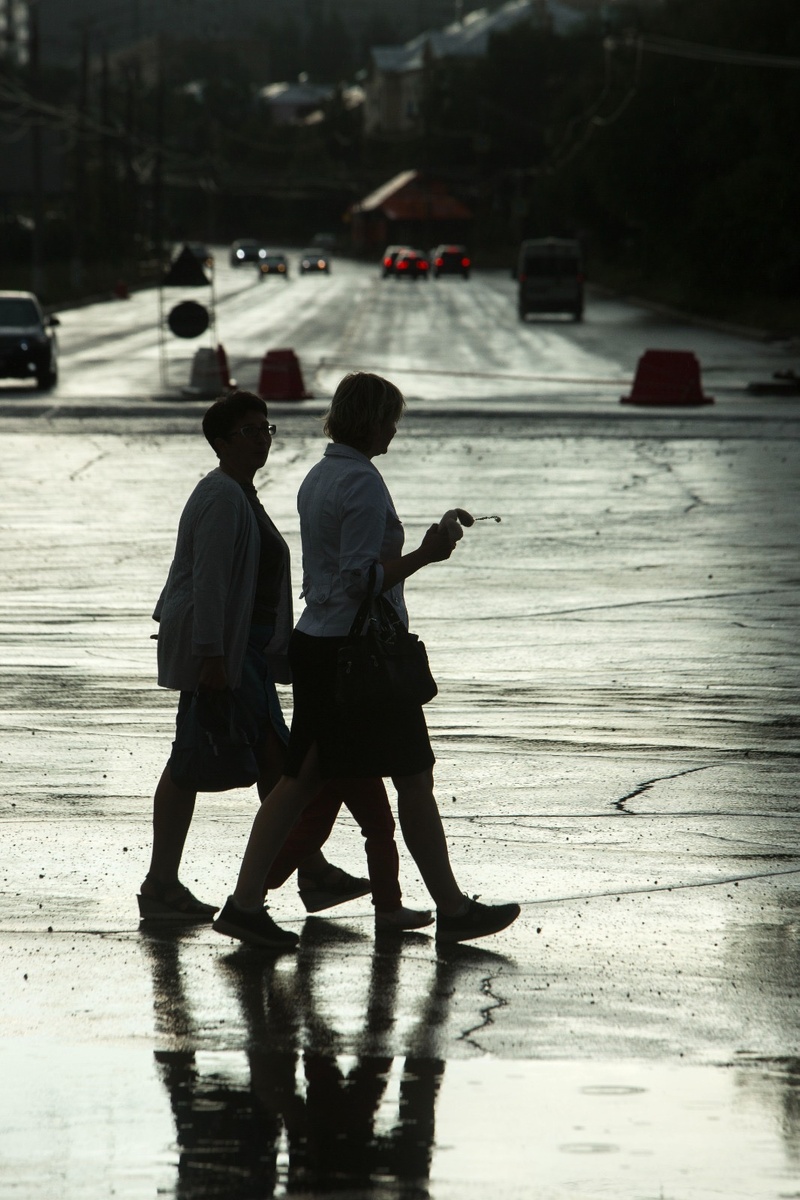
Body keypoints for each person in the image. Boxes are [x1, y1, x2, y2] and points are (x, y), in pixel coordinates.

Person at [213, 372, 521, 948]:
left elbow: (335, 572)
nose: (394, 431)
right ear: (371, 420)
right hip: (357, 656)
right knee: (412, 776)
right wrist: (427, 556)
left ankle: (245, 901)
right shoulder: (361, 483)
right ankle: (451, 907)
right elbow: (359, 581)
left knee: (302, 781)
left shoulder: (318, 476)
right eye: (390, 420)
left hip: (320, 645)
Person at [139, 389, 430, 932]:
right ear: (221, 443)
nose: (262, 439)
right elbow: (209, 583)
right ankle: (172, 885)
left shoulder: (244, 494)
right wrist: (210, 657)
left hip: (243, 651)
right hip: (224, 652)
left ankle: (305, 870)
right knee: (203, 762)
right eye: (250, 431)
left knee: (280, 764)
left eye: (266, 429)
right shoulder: (223, 497)